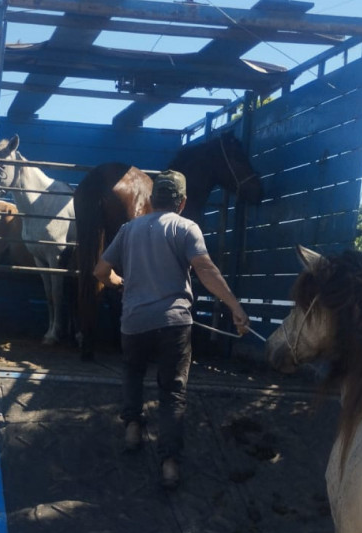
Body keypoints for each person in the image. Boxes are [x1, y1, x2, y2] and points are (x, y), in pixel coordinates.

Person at [94, 169, 250, 489]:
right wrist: (234, 306)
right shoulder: (186, 227)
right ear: (182, 203)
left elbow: (100, 271)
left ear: (152, 200)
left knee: (133, 374)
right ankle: (168, 464)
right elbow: (205, 269)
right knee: (172, 392)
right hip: (174, 324)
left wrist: (118, 282)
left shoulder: (128, 230)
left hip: (135, 323)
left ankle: (133, 429)